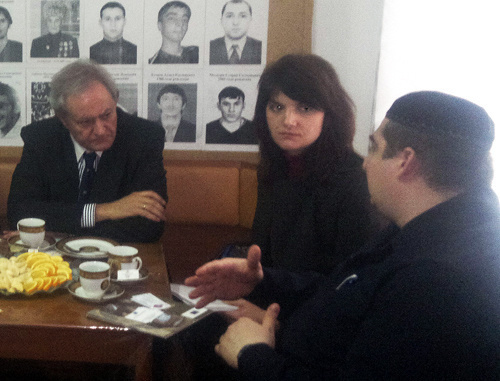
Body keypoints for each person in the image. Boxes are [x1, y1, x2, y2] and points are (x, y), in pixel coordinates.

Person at [186, 91, 500, 379]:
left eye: (374, 148)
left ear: (406, 162)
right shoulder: (429, 225)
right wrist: (264, 280)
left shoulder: (437, 278)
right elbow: (346, 290)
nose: (365, 163)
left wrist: (253, 355)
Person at [7, 59, 167, 243]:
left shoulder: (144, 138)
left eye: (107, 115)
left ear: (115, 100)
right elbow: (20, 214)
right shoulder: (42, 138)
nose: (100, 129)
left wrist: (54, 230)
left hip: (116, 260)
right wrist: (103, 211)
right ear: (63, 120)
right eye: (85, 122)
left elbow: (149, 227)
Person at [209, 0, 261, 65]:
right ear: (221, 20)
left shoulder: (260, 48)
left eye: (243, 16)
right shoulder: (210, 47)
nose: (235, 22)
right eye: (229, 16)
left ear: (250, 20)